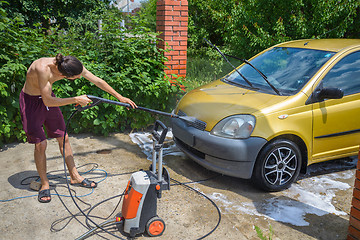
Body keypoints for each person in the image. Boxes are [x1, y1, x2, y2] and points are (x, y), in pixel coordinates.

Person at [19, 53, 137, 203]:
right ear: (64, 75)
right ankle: (45, 184)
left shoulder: (69, 64)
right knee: (41, 144)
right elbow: (48, 101)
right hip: (32, 102)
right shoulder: (42, 69)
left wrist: (119, 97)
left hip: (48, 98)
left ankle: (74, 176)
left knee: (64, 137)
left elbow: (97, 80)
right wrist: (75, 99)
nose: (80, 77)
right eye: (76, 77)